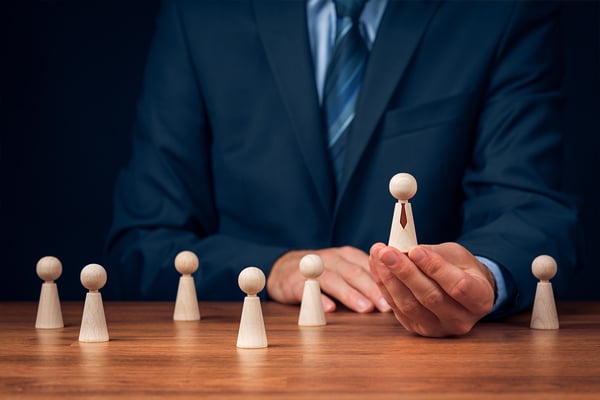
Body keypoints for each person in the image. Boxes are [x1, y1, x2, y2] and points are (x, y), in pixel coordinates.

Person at [107, 0, 580, 337]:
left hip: (435, 368)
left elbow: (529, 210)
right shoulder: (200, 14)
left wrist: (482, 277)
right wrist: (273, 269)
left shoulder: (502, 10)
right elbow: (144, 243)